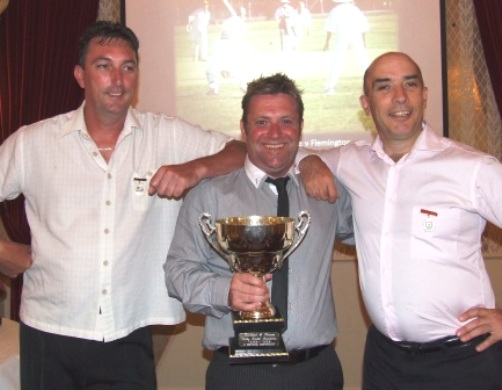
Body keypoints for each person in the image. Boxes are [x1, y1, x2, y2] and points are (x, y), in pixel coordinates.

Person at [0, 21, 246, 389]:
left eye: (128, 67)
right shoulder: (33, 143)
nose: (118, 79)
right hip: (48, 331)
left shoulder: (167, 135)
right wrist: (3, 249)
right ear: (81, 75)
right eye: (104, 66)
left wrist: (196, 169)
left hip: (127, 332)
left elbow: (241, 152)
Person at [298, 52, 502, 389]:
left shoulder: (472, 168)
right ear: (366, 104)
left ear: (424, 93)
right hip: (386, 362)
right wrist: (311, 164)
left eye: (410, 84)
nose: (400, 97)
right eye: (385, 87)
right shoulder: (352, 160)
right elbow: (292, 155)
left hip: (465, 360)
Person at [164, 73, 353, 389]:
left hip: (315, 371)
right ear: (243, 128)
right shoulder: (209, 196)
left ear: (301, 127)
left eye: (286, 121)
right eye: (262, 122)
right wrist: (225, 291)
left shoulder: (327, 192)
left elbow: (381, 239)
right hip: (239, 373)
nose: (275, 133)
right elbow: (177, 273)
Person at [323, 0, 370, 95]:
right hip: (356, 35)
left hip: (342, 35)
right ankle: (375, 82)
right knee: (363, 60)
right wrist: (364, 42)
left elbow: (330, 28)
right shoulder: (355, 9)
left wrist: (327, 42)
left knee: (337, 61)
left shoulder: (335, 10)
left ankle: (330, 87)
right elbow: (363, 26)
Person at [205, 6, 248, 95]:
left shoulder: (242, 24)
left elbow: (240, 34)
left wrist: (239, 23)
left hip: (233, 45)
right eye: (243, 14)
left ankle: (243, 86)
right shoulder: (230, 22)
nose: (244, 16)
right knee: (211, 68)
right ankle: (213, 88)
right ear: (238, 13)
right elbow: (225, 27)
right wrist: (237, 21)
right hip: (223, 44)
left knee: (240, 66)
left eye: (245, 14)